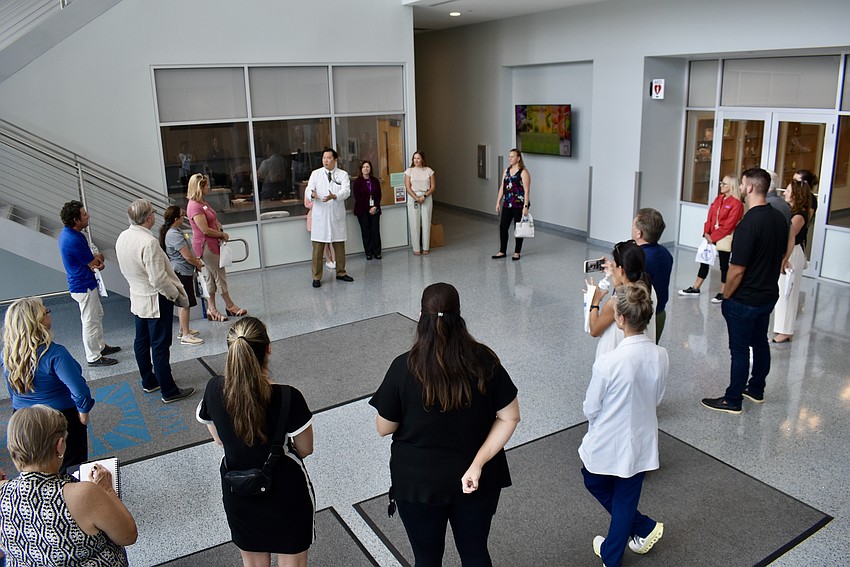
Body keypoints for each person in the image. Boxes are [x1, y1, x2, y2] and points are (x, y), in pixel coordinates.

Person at [369, 283, 521, 566]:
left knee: (426, 558)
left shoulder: (403, 367)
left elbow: (384, 427)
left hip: (418, 483)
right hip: (478, 479)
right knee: (475, 552)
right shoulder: (484, 361)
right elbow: (509, 416)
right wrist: (477, 464)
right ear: (459, 315)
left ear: (420, 316)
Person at [197, 317, 315, 567]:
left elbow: (218, 439)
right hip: (286, 492)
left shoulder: (213, 389)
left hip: (238, 491)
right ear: (268, 347)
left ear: (231, 350)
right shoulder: (287, 396)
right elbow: (305, 449)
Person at [580, 284, 668, 567]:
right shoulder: (660, 354)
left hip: (609, 435)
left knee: (593, 479)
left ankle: (612, 554)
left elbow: (591, 407)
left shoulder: (609, 361)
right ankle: (641, 527)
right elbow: (658, 396)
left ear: (620, 319)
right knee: (627, 493)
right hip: (642, 434)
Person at [0, 405, 137, 566]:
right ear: (59, 446)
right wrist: (106, 490)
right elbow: (128, 536)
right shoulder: (83, 494)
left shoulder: (2, 490)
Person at [702, 168, 788, 414]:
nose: (740, 188)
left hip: (745, 299)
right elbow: (781, 252)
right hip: (767, 295)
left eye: (742, 184)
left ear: (750, 187)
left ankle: (733, 399)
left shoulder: (748, 224)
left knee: (739, 350)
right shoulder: (778, 218)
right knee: (760, 342)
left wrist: (727, 295)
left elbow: (737, 269)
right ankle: (756, 388)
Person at [115, 199, 195, 404]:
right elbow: (159, 279)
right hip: (156, 299)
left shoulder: (123, 237)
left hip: (138, 296)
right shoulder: (148, 242)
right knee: (160, 345)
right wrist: (174, 295)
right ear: (149, 217)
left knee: (141, 341)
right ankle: (169, 391)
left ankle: (149, 381)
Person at [1, 298, 94, 472]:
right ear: (37, 321)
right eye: (46, 312)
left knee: (32, 463)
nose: (49, 314)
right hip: (59, 417)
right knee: (71, 463)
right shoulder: (55, 354)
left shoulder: (7, 354)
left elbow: (12, 389)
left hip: (23, 417)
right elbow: (79, 390)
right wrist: (83, 413)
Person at [58, 200, 120, 367]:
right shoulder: (73, 239)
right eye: (84, 214)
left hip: (86, 283)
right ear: (76, 220)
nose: (88, 216)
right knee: (90, 321)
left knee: (97, 315)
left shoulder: (73, 235)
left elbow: (96, 259)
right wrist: (98, 259)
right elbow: (95, 261)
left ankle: (100, 347)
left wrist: (97, 259)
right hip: (83, 286)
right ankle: (93, 356)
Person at [186, 173, 247, 321]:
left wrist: (219, 227)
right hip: (206, 246)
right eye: (206, 185)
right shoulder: (194, 206)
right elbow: (204, 229)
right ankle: (230, 306)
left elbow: (212, 218)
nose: (209, 187)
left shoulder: (203, 203)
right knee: (220, 276)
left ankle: (211, 308)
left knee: (211, 278)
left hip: (213, 244)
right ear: (200, 187)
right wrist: (221, 235)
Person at [678, 175, 744, 303]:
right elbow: (710, 218)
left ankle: (723, 292)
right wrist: (706, 233)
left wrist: (712, 237)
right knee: (704, 260)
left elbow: (729, 226)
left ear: (731, 186)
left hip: (723, 238)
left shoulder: (737, 204)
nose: (721, 185)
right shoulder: (718, 199)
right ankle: (696, 287)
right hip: (711, 236)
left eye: (723, 183)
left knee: (724, 265)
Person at [588, 240, 656, 359]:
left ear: (621, 269)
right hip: (640, 354)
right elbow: (627, 292)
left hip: (615, 355)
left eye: (615, 264)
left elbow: (594, 330)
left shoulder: (615, 303)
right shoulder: (648, 289)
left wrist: (594, 302)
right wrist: (616, 276)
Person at [305, 148, 353, 288]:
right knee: (318, 249)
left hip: (336, 214)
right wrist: (312, 195)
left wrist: (335, 196)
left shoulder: (342, 174)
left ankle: (341, 272)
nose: (326, 160)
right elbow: (309, 189)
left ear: (335, 160)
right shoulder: (316, 174)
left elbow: (346, 191)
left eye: (329, 158)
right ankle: (316, 276)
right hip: (321, 215)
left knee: (339, 246)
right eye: (324, 158)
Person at [772, 179, 811, 343]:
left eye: (788, 191)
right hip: (789, 252)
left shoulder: (799, 215)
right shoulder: (791, 211)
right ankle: (780, 327)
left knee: (788, 293)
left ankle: (786, 330)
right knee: (782, 292)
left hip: (793, 254)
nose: (784, 193)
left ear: (796, 194)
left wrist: (784, 258)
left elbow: (789, 236)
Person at [159, 206, 204, 346]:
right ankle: (186, 335)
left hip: (184, 271)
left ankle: (183, 329)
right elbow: (186, 256)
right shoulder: (173, 234)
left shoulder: (176, 232)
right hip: (181, 271)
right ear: (175, 219)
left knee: (183, 301)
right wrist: (197, 263)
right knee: (185, 303)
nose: (184, 216)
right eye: (181, 215)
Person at [632, 208, 673, 342]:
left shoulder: (638, 258)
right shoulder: (665, 254)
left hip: (638, 319)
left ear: (639, 233)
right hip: (659, 313)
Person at [492, 148, 530, 261]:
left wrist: (526, 207)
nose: (510, 158)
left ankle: (517, 252)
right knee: (503, 227)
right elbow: (502, 187)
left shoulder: (523, 172)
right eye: (509, 156)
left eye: (512, 156)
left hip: (519, 204)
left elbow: (527, 190)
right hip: (507, 203)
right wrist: (498, 201)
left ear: (518, 158)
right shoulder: (506, 171)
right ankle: (502, 251)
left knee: (518, 229)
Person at [404, 151, 436, 255]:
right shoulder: (409, 171)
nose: (416, 160)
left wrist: (424, 196)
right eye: (414, 158)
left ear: (422, 159)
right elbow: (408, 188)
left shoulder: (429, 171)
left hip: (426, 196)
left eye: (418, 158)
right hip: (413, 197)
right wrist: (416, 198)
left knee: (426, 221)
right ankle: (416, 248)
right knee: (414, 223)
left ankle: (426, 247)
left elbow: (432, 187)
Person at [352, 160, 382, 260]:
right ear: (361, 169)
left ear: (370, 169)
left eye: (368, 167)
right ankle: (368, 252)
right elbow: (357, 197)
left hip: (375, 209)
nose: (366, 169)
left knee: (375, 231)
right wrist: (368, 208)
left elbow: (379, 195)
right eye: (364, 167)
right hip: (362, 210)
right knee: (366, 231)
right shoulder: (358, 182)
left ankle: (377, 252)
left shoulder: (375, 180)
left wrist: (375, 207)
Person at [304, 192, 336, 270]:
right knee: (322, 241)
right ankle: (328, 260)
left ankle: (334, 259)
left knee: (332, 240)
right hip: (315, 217)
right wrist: (318, 202)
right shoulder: (309, 189)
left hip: (328, 216)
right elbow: (307, 204)